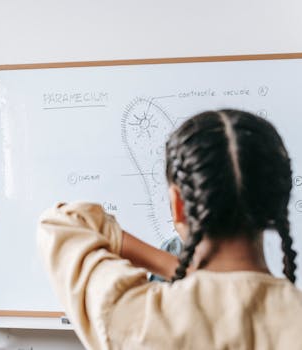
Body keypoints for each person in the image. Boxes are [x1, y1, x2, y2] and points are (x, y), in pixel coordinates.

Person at [37, 109, 302, 349]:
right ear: (277, 203)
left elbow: (63, 222)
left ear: (178, 204)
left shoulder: (137, 318)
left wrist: (179, 267)